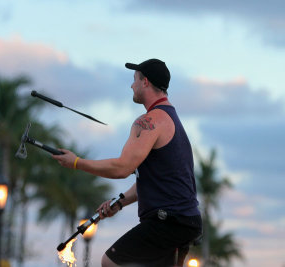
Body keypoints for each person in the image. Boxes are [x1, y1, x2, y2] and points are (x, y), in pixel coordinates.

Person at [52, 58, 202, 267]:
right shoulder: (170, 119)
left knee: (112, 262)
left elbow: (122, 168)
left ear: (145, 82)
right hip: (183, 221)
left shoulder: (149, 121)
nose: (131, 85)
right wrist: (120, 202)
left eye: (134, 80)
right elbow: (155, 181)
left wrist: (76, 162)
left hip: (168, 221)